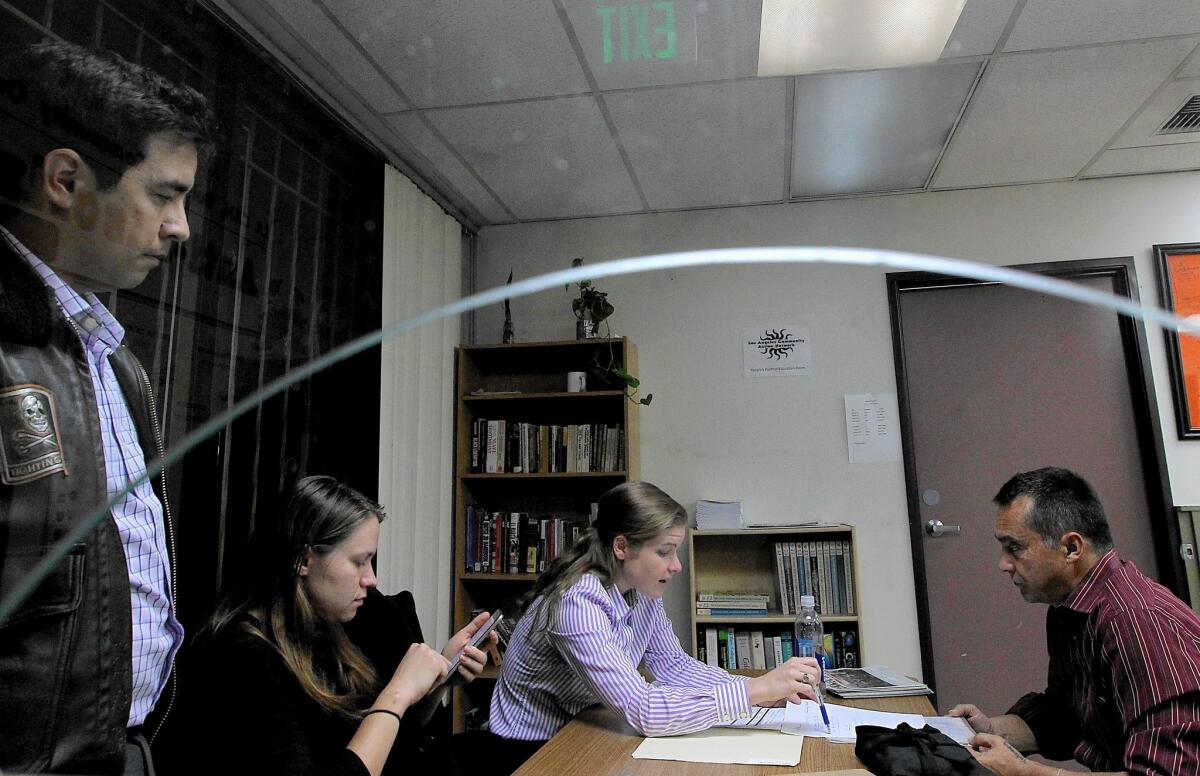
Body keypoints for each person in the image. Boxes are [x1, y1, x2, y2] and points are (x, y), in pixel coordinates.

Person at [0, 40, 213, 774]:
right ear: (66, 180)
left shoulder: (117, 362)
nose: (182, 227)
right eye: (164, 194)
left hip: (121, 751)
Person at [486, 481, 822, 773]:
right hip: (530, 749)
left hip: (585, 725)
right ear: (621, 547)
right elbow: (643, 708)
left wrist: (761, 690)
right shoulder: (578, 602)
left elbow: (673, 665)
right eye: (664, 552)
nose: (676, 566)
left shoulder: (641, 589)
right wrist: (753, 691)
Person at [183, 475, 498, 776]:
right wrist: (397, 694)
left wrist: (437, 683)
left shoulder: (333, 626)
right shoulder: (241, 656)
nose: (371, 578)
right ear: (302, 561)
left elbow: (385, 755)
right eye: (359, 561)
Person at [949, 467, 1200, 775]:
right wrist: (991, 729)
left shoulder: (1137, 623)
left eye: (1014, 548)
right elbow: (1067, 716)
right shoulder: (1070, 609)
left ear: (1071, 548)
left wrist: (1023, 771)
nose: (1004, 564)